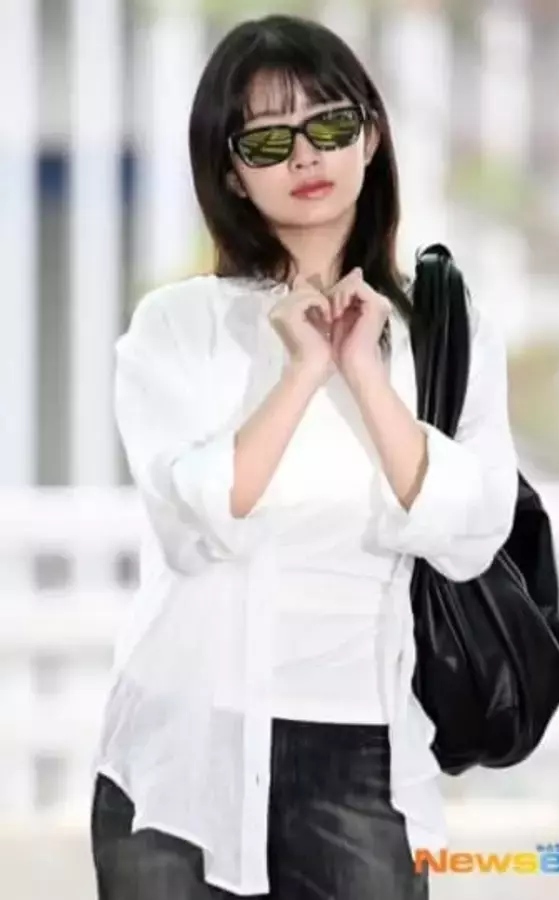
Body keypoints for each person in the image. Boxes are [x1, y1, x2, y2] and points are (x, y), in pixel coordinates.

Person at [89, 12, 518, 900]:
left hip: (364, 759)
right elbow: (200, 522)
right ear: (232, 174)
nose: (305, 156)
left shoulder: (440, 328)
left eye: (329, 124)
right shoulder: (177, 327)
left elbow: (471, 533)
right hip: (181, 751)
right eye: (267, 141)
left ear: (371, 136)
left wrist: (364, 373)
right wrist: (300, 373)